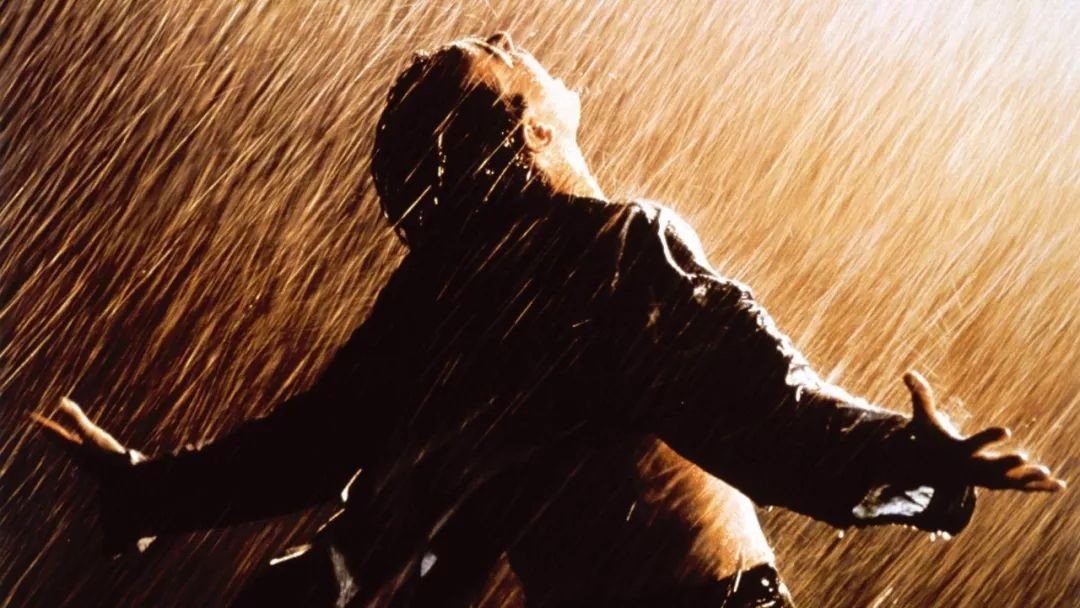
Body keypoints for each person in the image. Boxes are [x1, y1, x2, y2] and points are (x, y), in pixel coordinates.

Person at [36, 33, 1063, 607]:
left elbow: (309, 445)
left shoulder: (434, 307)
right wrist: (913, 463)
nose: (502, 36)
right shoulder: (608, 248)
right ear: (528, 130)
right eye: (490, 54)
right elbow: (763, 416)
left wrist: (149, 489)